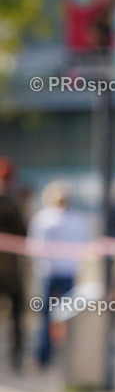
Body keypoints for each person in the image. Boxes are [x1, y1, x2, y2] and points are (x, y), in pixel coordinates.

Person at [26, 181, 89, 367]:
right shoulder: (47, 218)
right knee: (51, 316)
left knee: (61, 317)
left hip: (59, 272)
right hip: (53, 272)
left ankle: (54, 356)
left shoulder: (49, 218)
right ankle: (47, 355)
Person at [0, 158, 27, 372]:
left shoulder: (12, 200)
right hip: (9, 269)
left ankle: (16, 356)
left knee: (17, 313)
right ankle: (16, 356)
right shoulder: (10, 201)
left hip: (10, 268)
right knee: (17, 313)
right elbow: (22, 232)